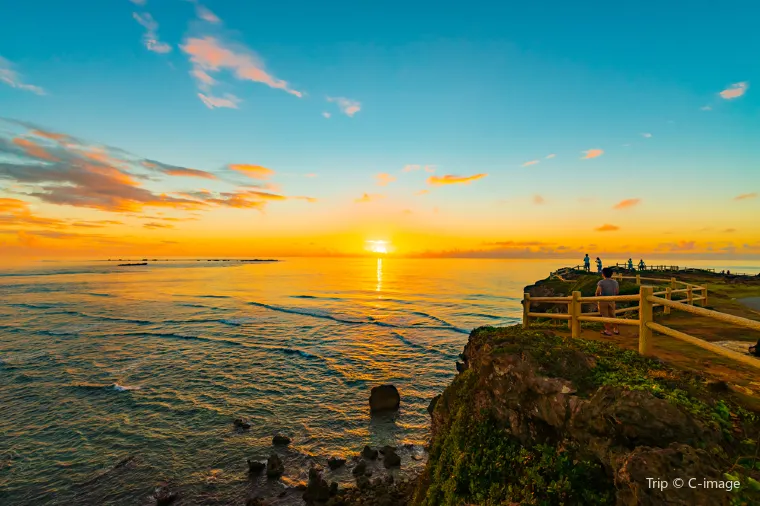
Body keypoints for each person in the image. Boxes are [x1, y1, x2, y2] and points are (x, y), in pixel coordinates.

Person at [596, 267, 619, 336]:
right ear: (611, 274)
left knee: (604, 316)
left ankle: (608, 330)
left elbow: (598, 292)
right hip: (612, 300)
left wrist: (598, 297)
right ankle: (616, 329)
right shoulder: (615, 282)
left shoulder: (601, 282)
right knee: (612, 315)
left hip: (603, 300)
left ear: (603, 274)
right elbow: (617, 292)